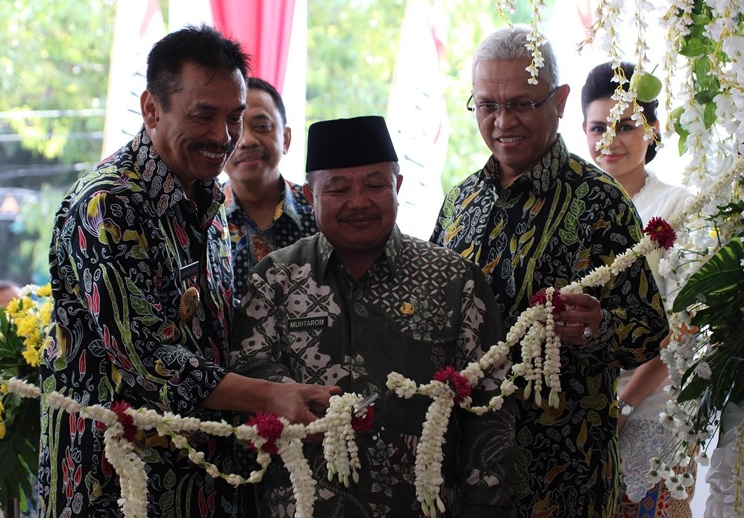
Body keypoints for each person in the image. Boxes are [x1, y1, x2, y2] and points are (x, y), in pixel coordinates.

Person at [38, 25, 338, 518]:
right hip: (115, 479)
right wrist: (270, 395)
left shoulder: (209, 199)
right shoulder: (108, 205)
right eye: (204, 115)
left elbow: (212, 334)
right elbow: (149, 356)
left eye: (235, 118)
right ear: (152, 109)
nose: (224, 138)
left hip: (202, 475)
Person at [430, 26, 668, 517]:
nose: (501, 122)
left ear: (559, 102)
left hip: (564, 473)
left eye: (520, 104)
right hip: (465, 470)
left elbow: (649, 332)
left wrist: (601, 326)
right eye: (487, 105)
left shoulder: (602, 201)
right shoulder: (459, 201)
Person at [230, 115, 517, 517]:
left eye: (376, 184)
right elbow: (247, 373)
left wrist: (486, 507)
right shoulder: (274, 278)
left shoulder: (455, 281)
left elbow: (491, 406)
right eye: (339, 188)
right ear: (311, 193)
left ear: (398, 186)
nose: (359, 202)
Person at [582, 61, 693, 518]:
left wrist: (621, 408)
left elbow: (685, 325)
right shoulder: (572, 210)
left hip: (650, 413)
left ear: (653, 130)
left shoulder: (678, 206)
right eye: (598, 127)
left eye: (626, 126)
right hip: (580, 414)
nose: (610, 140)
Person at [223, 77, 317, 301]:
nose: (246, 141)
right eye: (235, 127)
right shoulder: (200, 217)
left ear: (285, 138)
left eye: (262, 127)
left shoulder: (319, 211)